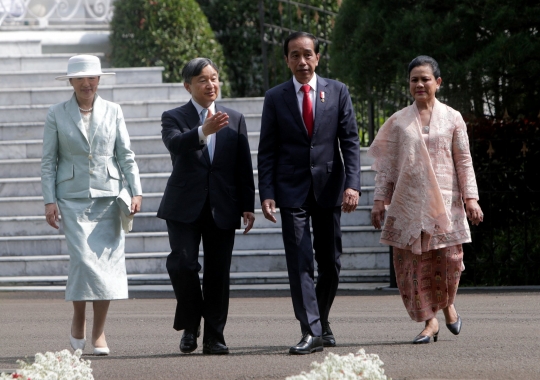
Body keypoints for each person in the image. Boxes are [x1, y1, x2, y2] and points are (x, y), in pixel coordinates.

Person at [258, 32, 361, 355]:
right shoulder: (275, 97)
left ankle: (322, 320)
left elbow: (350, 141)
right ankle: (312, 330)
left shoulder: (338, 91)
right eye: (294, 56)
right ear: (286, 60)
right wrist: (268, 192)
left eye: (307, 55)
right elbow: (267, 151)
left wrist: (353, 184)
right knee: (300, 262)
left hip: (330, 189)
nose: (301, 62)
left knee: (330, 263)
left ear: (317, 57)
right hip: (291, 192)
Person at [369, 55, 483, 344]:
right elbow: (387, 166)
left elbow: (464, 160)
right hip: (409, 205)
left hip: (446, 204)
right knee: (412, 266)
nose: (419, 84)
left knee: (450, 261)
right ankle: (429, 322)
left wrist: (471, 198)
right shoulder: (397, 122)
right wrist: (379, 200)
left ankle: (447, 305)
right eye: (414, 80)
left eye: (425, 79)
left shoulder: (453, 118)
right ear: (408, 84)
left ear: (438, 83)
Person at [41, 55, 143, 355]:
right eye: (81, 78)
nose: (87, 83)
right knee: (84, 263)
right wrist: (49, 200)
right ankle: (78, 317)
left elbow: (126, 155)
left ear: (99, 80)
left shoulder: (114, 110)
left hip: (108, 199)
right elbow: (49, 161)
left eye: (92, 78)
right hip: (71, 199)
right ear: (71, 82)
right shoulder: (56, 113)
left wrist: (136, 191)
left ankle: (98, 333)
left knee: (106, 267)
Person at [157, 58, 255, 355]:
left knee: (218, 273)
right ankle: (191, 323)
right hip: (184, 205)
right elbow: (175, 145)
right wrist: (203, 131)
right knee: (182, 264)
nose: (210, 84)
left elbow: (243, 165)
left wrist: (247, 205)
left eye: (214, 78)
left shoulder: (234, 118)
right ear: (188, 85)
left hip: (222, 206)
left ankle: (214, 336)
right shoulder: (173, 116)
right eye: (202, 79)